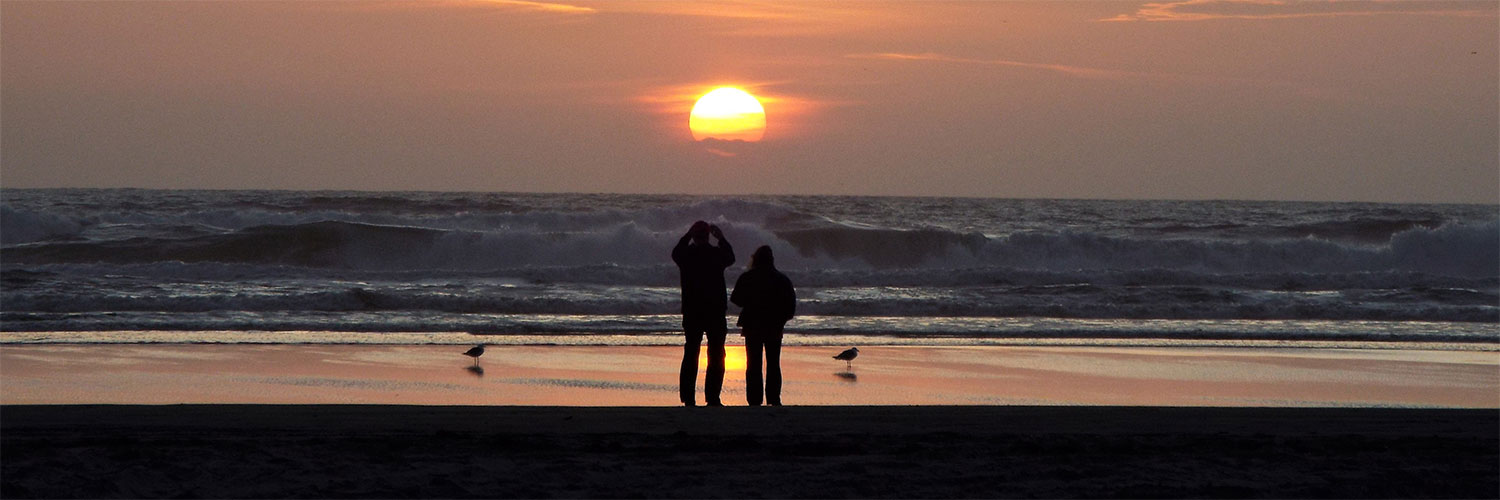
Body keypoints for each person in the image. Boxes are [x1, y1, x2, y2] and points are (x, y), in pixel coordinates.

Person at [672, 220, 735, 406]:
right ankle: (713, 397)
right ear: (708, 236)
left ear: (694, 236)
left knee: (691, 352)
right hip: (715, 310)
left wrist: (686, 236)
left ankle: (688, 397)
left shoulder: (687, 255)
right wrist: (722, 238)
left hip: (693, 310)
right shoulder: (715, 254)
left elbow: (675, 253)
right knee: (716, 354)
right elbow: (731, 257)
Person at [730, 245, 796, 406]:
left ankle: (754, 400)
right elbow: (791, 306)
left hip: (752, 325)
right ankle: (774, 398)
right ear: (771, 260)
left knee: (753, 364)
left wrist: (751, 302)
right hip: (774, 325)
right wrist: (782, 319)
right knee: (773, 363)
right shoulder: (782, 279)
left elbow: (736, 299)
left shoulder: (748, 277)